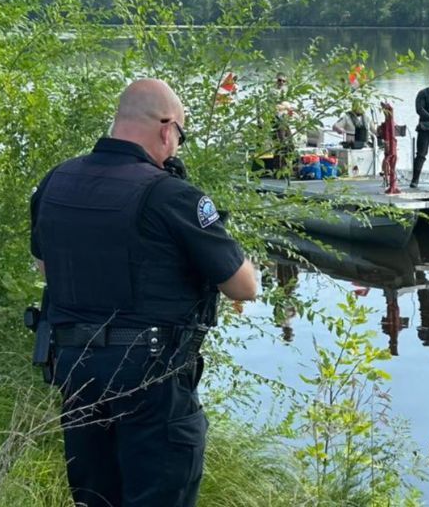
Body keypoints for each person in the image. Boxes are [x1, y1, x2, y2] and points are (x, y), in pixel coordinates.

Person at [30, 79, 258, 507]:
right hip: (151, 376)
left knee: (95, 496)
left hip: (76, 369)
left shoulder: (56, 181)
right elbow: (242, 285)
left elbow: (47, 267)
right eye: (180, 136)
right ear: (167, 128)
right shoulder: (169, 195)